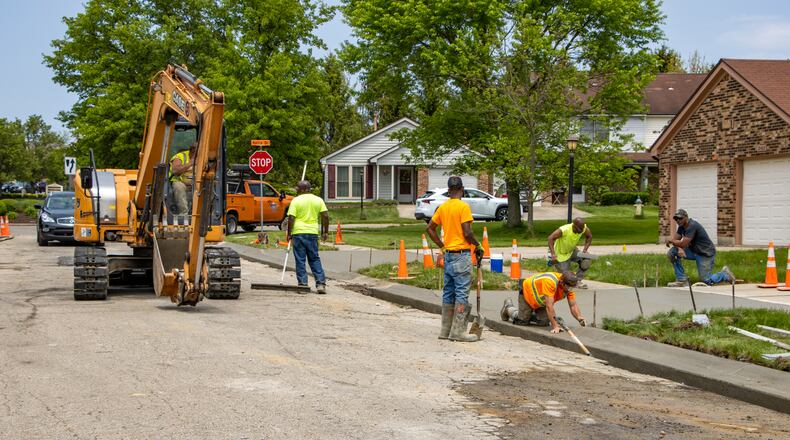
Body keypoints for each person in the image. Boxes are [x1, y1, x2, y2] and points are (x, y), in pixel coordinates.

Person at [427, 176, 485, 342]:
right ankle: (458, 331)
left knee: (448, 292)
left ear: (448, 190)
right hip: (461, 256)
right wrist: (478, 245)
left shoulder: (443, 207)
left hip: (449, 256)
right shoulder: (463, 207)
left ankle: (445, 330)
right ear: (462, 189)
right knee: (461, 293)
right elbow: (467, 232)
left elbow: (430, 228)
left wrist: (442, 246)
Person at [500, 271, 586, 334]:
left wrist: (579, 317)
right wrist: (555, 326)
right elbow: (549, 306)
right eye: (568, 287)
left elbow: (573, 305)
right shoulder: (550, 282)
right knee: (522, 321)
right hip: (527, 293)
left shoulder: (569, 286)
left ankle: (529, 314)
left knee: (544, 322)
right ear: (561, 282)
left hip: (541, 301)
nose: (570, 289)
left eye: (572, 287)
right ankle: (508, 307)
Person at [666, 209, 734, 287]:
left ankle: (724, 275)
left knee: (705, 280)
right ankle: (682, 279)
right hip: (693, 251)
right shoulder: (682, 227)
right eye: (676, 219)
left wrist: (673, 242)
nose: (678, 220)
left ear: (686, 217)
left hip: (705, 253)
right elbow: (676, 240)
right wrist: (679, 248)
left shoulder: (692, 225)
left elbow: (682, 243)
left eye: (680, 218)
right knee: (672, 252)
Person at [286, 180, 329, 294]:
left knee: (300, 259)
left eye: (298, 188)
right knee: (314, 258)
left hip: (298, 233)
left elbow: (291, 218)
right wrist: (325, 232)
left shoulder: (296, 201)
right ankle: (320, 284)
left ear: (303, 189)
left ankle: (303, 284)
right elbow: (325, 216)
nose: (297, 190)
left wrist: (289, 233)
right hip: (312, 233)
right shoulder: (318, 200)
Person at [547, 217, 593, 288]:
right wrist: (553, 254)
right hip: (560, 254)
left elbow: (589, 236)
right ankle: (559, 276)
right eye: (579, 229)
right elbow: (550, 238)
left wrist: (585, 250)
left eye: (582, 229)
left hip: (572, 251)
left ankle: (577, 280)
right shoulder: (564, 230)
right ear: (574, 225)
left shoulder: (583, 228)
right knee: (565, 277)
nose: (581, 231)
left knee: (586, 260)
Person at [169, 142, 196, 216]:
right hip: (180, 182)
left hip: (195, 184)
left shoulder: (202, 157)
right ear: (192, 152)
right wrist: (190, 163)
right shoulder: (180, 156)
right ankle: (184, 214)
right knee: (179, 187)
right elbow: (176, 171)